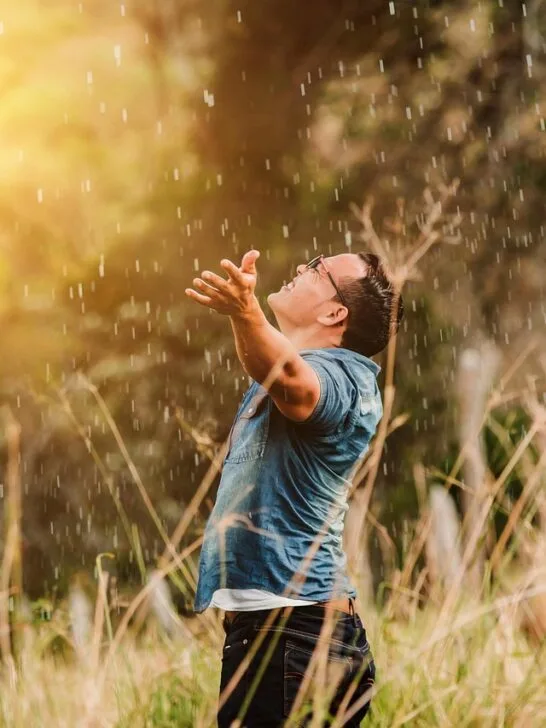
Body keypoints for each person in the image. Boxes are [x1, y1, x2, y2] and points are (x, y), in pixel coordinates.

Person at [185, 249, 404, 727]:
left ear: (334, 312)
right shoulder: (299, 364)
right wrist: (245, 319)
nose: (302, 266)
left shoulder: (344, 376)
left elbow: (294, 384)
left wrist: (246, 311)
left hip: (297, 635)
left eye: (317, 267)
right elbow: (274, 366)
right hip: (280, 633)